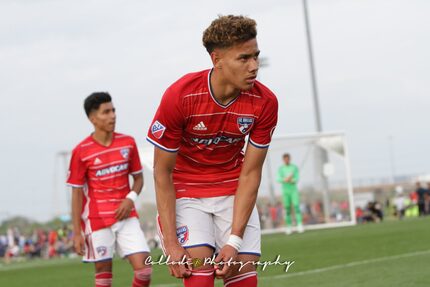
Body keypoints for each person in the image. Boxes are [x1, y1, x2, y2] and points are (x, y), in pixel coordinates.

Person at [147, 15, 278, 287]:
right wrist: (171, 244)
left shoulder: (265, 103)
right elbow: (162, 171)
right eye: (244, 58)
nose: (254, 66)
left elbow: (251, 173)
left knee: (242, 277)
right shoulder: (180, 96)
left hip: (233, 190)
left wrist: (233, 242)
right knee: (199, 278)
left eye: (256, 56)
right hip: (186, 193)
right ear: (216, 60)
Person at [67, 92, 152, 287]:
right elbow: (77, 193)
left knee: (144, 269)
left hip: (127, 216)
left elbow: (138, 179)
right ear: (93, 118)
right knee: (104, 276)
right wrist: (77, 232)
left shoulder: (127, 142)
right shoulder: (81, 151)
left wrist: (130, 198)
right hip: (98, 220)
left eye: (113, 110)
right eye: (106, 112)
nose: (112, 115)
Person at [276, 153, 304, 234]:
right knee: (287, 208)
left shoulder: (294, 167)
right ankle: (289, 226)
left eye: (288, 159)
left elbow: (297, 177)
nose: (286, 160)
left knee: (296, 206)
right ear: (283, 160)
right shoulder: (281, 169)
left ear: (289, 159)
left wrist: (291, 180)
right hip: (285, 191)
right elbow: (278, 179)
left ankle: (299, 224)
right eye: (285, 159)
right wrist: (285, 179)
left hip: (293, 190)